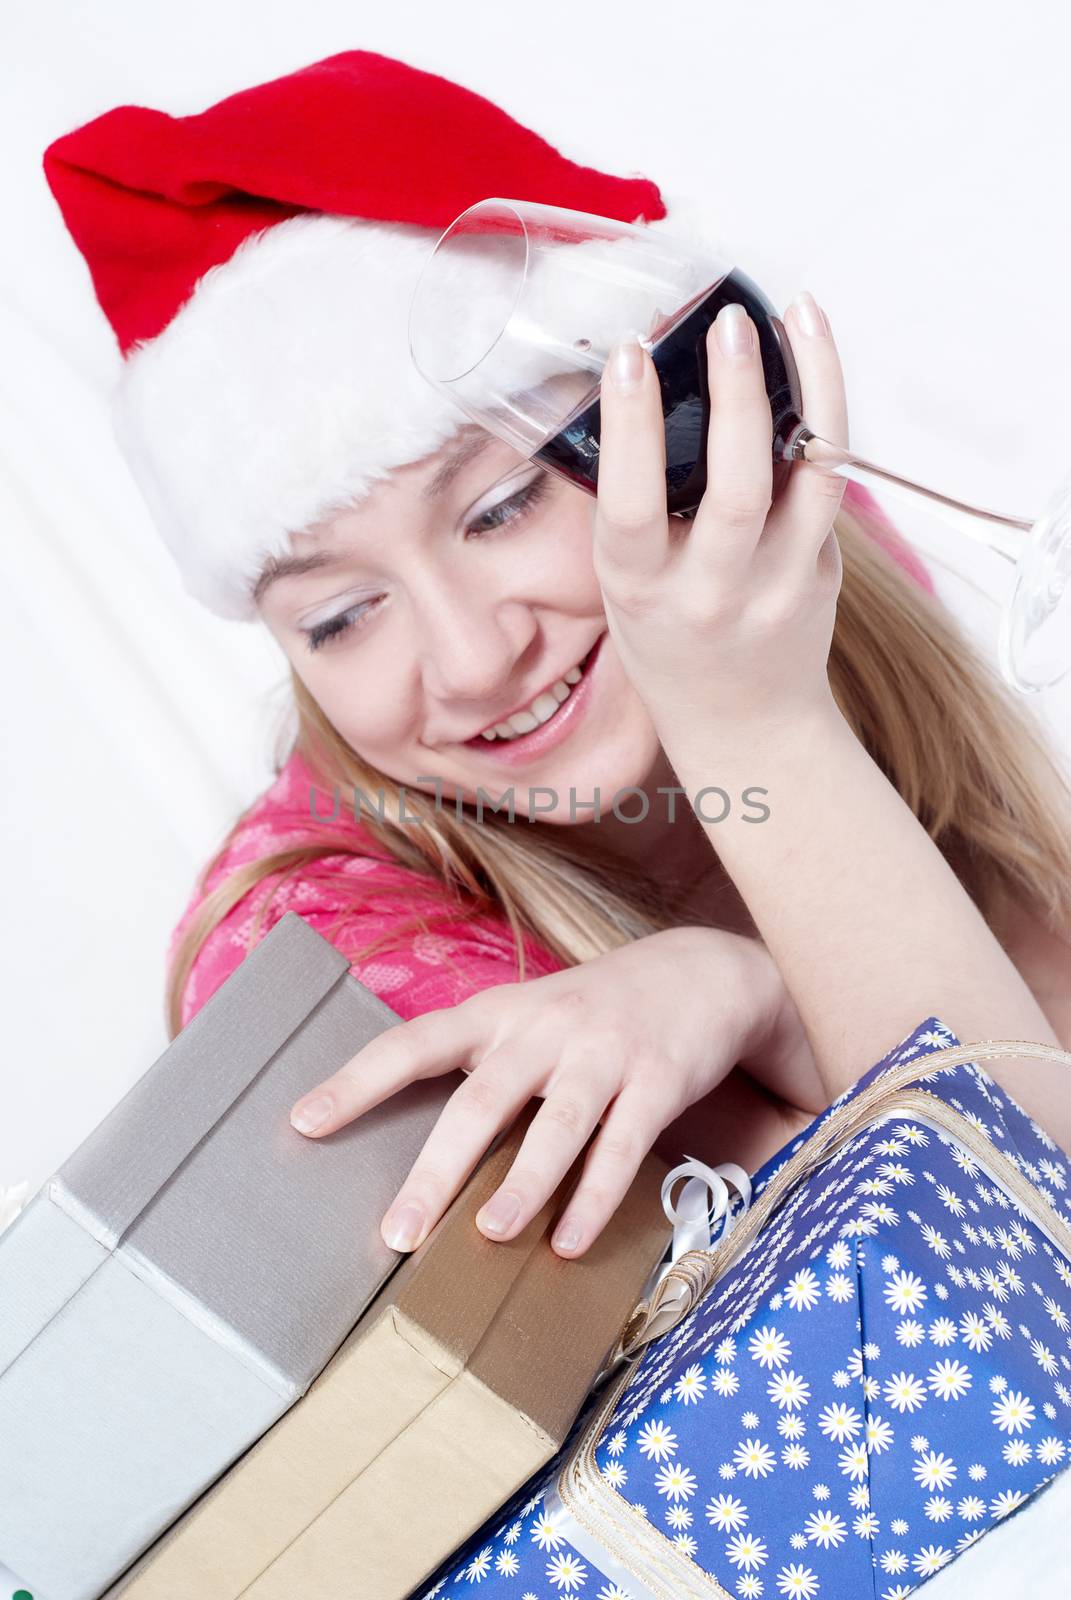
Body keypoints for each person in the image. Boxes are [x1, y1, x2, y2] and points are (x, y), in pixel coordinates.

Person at [45, 50, 1071, 1275]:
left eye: (501, 508)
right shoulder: (316, 962)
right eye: (339, 618)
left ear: (674, 434)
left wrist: (753, 949)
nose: (474, 660)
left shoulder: (772, 569)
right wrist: (763, 763)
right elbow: (1010, 1256)